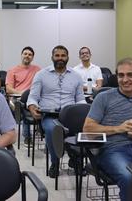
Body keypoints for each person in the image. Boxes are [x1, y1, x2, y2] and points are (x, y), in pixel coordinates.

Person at [83, 58, 132, 201]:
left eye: (130, 75)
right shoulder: (103, 97)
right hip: (112, 150)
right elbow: (88, 129)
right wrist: (118, 128)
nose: (125, 79)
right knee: (128, 177)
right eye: (121, 75)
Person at [27, 45, 85, 177]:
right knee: (53, 130)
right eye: (57, 55)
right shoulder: (41, 75)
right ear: (52, 57)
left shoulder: (76, 76)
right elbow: (33, 97)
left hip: (70, 115)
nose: (60, 58)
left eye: (63, 55)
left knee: (82, 129)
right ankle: (55, 162)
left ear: (67, 58)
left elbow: (80, 99)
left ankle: (75, 160)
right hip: (49, 115)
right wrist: (32, 108)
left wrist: (84, 113)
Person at [6, 46, 41, 145]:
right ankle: (27, 136)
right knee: (25, 105)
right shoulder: (12, 70)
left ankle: (42, 131)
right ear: (21, 55)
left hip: (34, 97)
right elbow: (8, 89)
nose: (27, 56)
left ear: (32, 57)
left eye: (30, 55)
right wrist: (23, 93)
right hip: (17, 98)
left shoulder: (37, 69)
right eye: (25, 54)